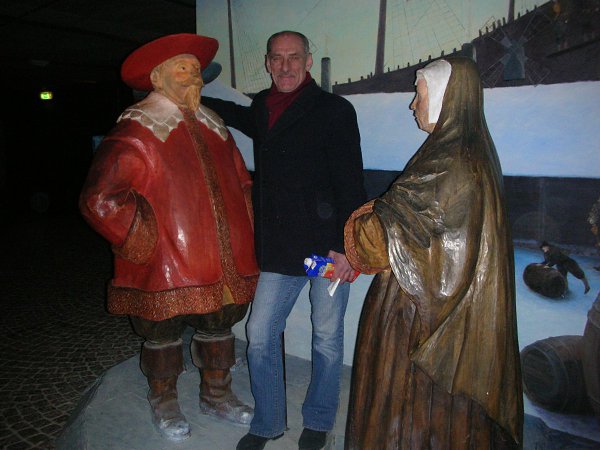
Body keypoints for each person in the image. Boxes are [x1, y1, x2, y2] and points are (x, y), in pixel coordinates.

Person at [79, 33, 259, 442]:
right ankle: (164, 399)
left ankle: (217, 394)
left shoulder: (216, 128)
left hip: (223, 258)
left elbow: (243, 182)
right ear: (157, 78)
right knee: (162, 331)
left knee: (221, 323)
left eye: (195, 69)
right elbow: (99, 199)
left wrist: (244, 226)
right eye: (182, 68)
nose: (193, 75)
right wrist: (143, 237)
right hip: (164, 259)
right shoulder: (137, 130)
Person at [343, 57, 523, 449]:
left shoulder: (446, 163)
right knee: (450, 420)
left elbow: (376, 243)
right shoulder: (475, 153)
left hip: (419, 323)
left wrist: (362, 218)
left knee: (409, 416)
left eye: (420, 94)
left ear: (446, 97)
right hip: (455, 318)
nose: (413, 104)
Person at [202, 30, 366, 450]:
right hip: (282, 250)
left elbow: (351, 183)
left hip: (325, 252)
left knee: (325, 337)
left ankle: (319, 421)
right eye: (277, 57)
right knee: (259, 333)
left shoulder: (334, 110)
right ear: (268, 63)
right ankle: (269, 421)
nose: (285, 65)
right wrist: (193, 98)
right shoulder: (263, 106)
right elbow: (237, 115)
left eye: (294, 57)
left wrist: (346, 248)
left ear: (308, 61)